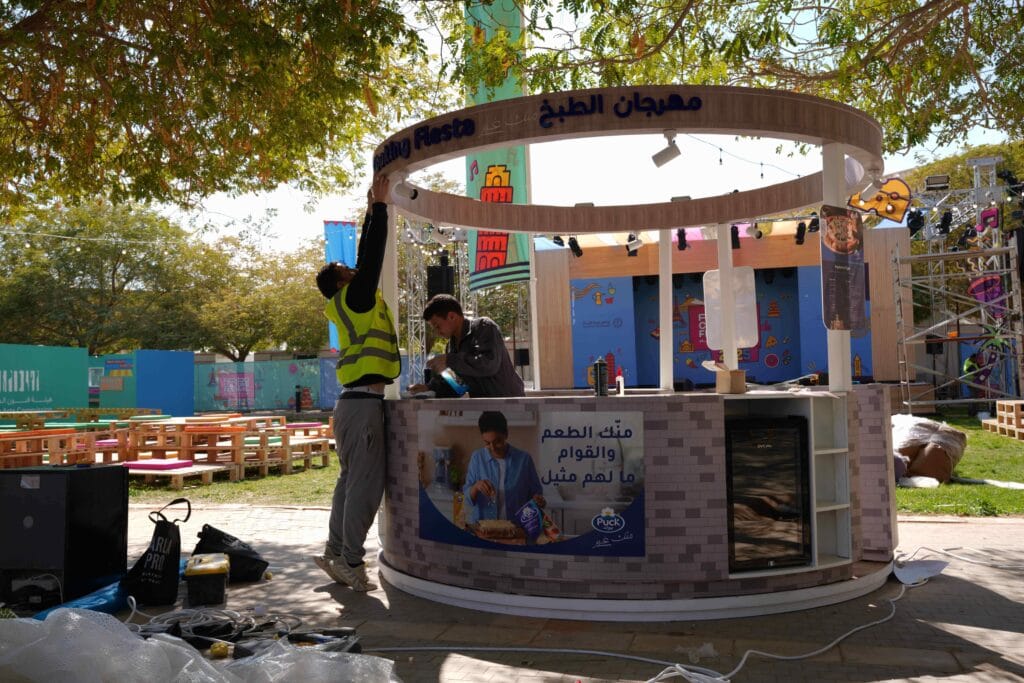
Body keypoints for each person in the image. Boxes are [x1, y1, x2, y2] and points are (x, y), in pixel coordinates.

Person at [312, 173, 399, 591]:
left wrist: (370, 211)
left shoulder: (345, 305)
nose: (357, 272)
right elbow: (373, 256)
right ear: (341, 282)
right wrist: (379, 208)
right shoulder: (355, 299)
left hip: (352, 405)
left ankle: (334, 552)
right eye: (350, 270)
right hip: (362, 406)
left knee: (348, 482)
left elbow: (366, 259)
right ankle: (349, 561)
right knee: (364, 485)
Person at [407, 294, 525, 397]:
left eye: (437, 326)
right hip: (482, 409)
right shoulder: (451, 346)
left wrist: (450, 360)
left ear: (452, 316)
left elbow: (489, 365)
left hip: (510, 403)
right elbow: (459, 386)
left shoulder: (484, 327)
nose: (437, 332)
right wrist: (429, 388)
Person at [463, 411, 544, 525]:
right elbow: (467, 498)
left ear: (506, 435)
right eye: (487, 443)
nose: (493, 448)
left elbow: (537, 493)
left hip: (516, 530)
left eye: (498, 442)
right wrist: (476, 487)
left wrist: (538, 500)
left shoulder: (524, 460)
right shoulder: (477, 458)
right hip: (483, 530)